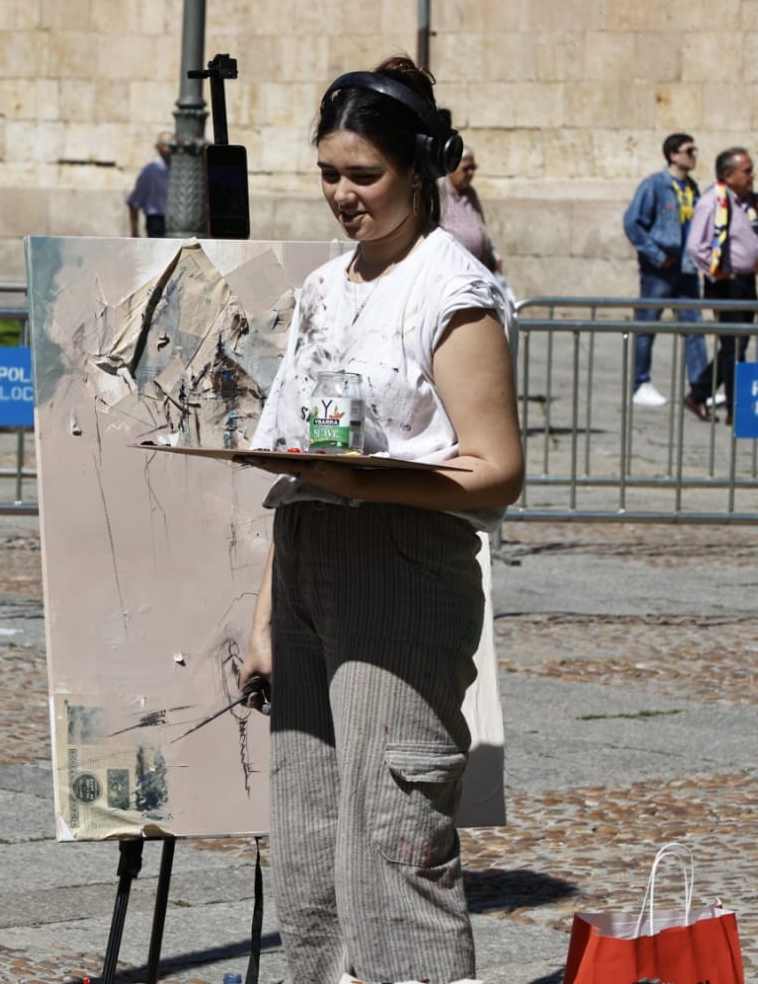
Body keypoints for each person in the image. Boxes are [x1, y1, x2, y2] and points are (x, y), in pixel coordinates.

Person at [238, 55, 522, 984]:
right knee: (312, 835)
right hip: (312, 556)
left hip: (400, 568)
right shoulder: (326, 286)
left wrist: (369, 491)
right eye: (328, 172)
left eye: (363, 175)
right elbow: (294, 457)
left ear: (417, 172)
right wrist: (264, 616)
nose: (342, 195)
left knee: (395, 841)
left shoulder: (451, 289)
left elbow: (493, 471)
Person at [682, 148, 758, 422]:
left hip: (746, 282)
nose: (752, 175)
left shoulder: (747, 203)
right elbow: (696, 246)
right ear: (728, 175)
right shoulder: (712, 202)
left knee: (738, 345)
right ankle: (732, 407)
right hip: (726, 285)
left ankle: (700, 395)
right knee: (733, 345)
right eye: (746, 170)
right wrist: (718, 272)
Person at [623, 133, 708, 407]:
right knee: (647, 324)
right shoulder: (655, 185)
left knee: (694, 327)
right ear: (673, 154)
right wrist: (657, 256)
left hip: (686, 268)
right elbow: (632, 223)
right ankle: (641, 383)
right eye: (689, 150)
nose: (694, 155)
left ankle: (700, 387)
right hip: (659, 269)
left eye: (694, 150)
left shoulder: (692, 188)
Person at [437, 144, 513, 300]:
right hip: (450, 278)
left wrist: (494, 257)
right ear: (451, 167)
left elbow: (481, 227)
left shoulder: (471, 193)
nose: (471, 173)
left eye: (473, 168)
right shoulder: (438, 192)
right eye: (466, 168)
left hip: (477, 275)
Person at [126, 130, 175, 237]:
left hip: (176, 222)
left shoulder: (179, 169)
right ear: (158, 148)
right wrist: (135, 232)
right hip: (157, 222)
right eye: (166, 145)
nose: (170, 149)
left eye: (172, 145)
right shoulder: (151, 171)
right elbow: (134, 202)